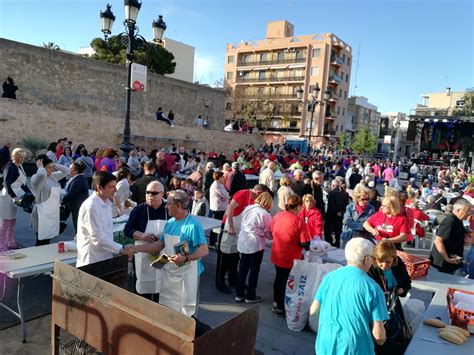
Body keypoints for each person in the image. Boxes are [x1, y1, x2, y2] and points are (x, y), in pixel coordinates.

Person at [130, 190, 209, 317]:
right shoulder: (170, 223)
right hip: (169, 273)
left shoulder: (193, 225)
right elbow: (160, 245)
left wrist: (185, 258)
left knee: (186, 312)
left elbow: (204, 250)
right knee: (168, 306)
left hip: (188, 274)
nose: (166, 206)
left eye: (169, 203)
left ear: (178, 205)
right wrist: (136, 249)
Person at [310, 238, 389, 355]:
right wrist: (382, 341)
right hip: (356, 349)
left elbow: (313, 311)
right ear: (366, 259)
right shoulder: (373, 288)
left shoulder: (329, 277)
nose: (373, 262)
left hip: (325, 344)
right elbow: (379, 335)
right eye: (373, 258)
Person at [216, 184, 268, 294]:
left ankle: (233, 280)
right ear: (258, 193)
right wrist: (230, 226)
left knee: (235, 257)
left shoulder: (254, 200)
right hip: (229, 226)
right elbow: (230, 208)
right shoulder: (243, 194)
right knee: (224, 256)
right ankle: (219, 282)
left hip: (239, 230)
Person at [76, 171, 134, 267]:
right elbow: (97, 237)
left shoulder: (106, 202)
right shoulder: (92, 206)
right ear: (99, 187)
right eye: (111, 187)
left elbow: (106, 231)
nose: (115, 190)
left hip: (104, 256)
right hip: (92, 260)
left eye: (115, 186)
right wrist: (121, 249)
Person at [368, 239, 412, 354]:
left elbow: (407, 282)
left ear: (394, 259)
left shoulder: (399, 265)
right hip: (377, 306)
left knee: (397, 329)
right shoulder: (371, 269)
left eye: (388, 262)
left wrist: (402, 290)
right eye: (381, 262)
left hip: (393, 304)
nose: (384, 265)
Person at [272, 195, 311, 316]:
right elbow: (305, 243)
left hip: (277, 253)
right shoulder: (299, 221)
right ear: (298, 206)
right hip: (290, 256)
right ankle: (280, 306)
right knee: (285, 281)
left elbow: (272, 230)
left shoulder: (278, 215)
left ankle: (276, 302)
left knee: (278, 278)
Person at [235, 192, 273, 304]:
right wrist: (269, 236)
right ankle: (250, 295)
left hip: (244, 240)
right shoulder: (265, 214)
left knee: (242, 268)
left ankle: (239, 293)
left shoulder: (248, 208)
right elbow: (268, 231)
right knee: (254, 270)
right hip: (256, 243)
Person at [31, 155, 70, 246]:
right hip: (42, 214)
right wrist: (40, 167)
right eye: (49, 168)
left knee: (48, 240)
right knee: (41, 241)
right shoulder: (36, 178)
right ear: (42, 168)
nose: (52, 170)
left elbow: (66, 170)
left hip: (52, 213)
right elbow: (41, 174)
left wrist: (53, 164)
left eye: (52, 168)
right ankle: (39, 259)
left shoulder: (53, 177)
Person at [430, 198, 471, 274]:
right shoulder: (450, 221)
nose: (469, 214)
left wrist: (464, 241)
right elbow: (438, 240)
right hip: (443, 263)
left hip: (452, 260)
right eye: (467, 211)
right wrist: (447, 258)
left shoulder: (459, 221)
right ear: (458, 210)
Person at [0, 148, 30, 250]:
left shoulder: (20, 167)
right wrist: (13, 196)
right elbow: (6, 183)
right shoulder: (9, 167)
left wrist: (30, 193)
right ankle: (2, 245)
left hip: (16, 196)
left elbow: (23, 183)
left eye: (23, 157)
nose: (22, 158)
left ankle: (10, 243)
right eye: (20, 156)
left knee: (12, 221)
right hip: (8, 196)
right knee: (6, 222)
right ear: (15, 156)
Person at [61, 161, 89, 233]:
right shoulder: (77, 178)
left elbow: (70, 194)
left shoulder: (79, 180)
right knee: (78, 225)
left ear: (75, 170)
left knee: (79, 226)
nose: (69, 170)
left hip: (78, 206)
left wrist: (62, 201)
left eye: (70, 169)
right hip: (76, 206)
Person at [324, 179, 349, 248]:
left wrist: (336, 212)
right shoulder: (344, 194)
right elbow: (346, 205)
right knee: (338, 229)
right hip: (340, 215)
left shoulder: (331, 193)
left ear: (332, 185)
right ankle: (337, 243)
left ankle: (329, 243)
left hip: (331, 214)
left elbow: (331, 205)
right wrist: (341, 212)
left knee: (327, 229)